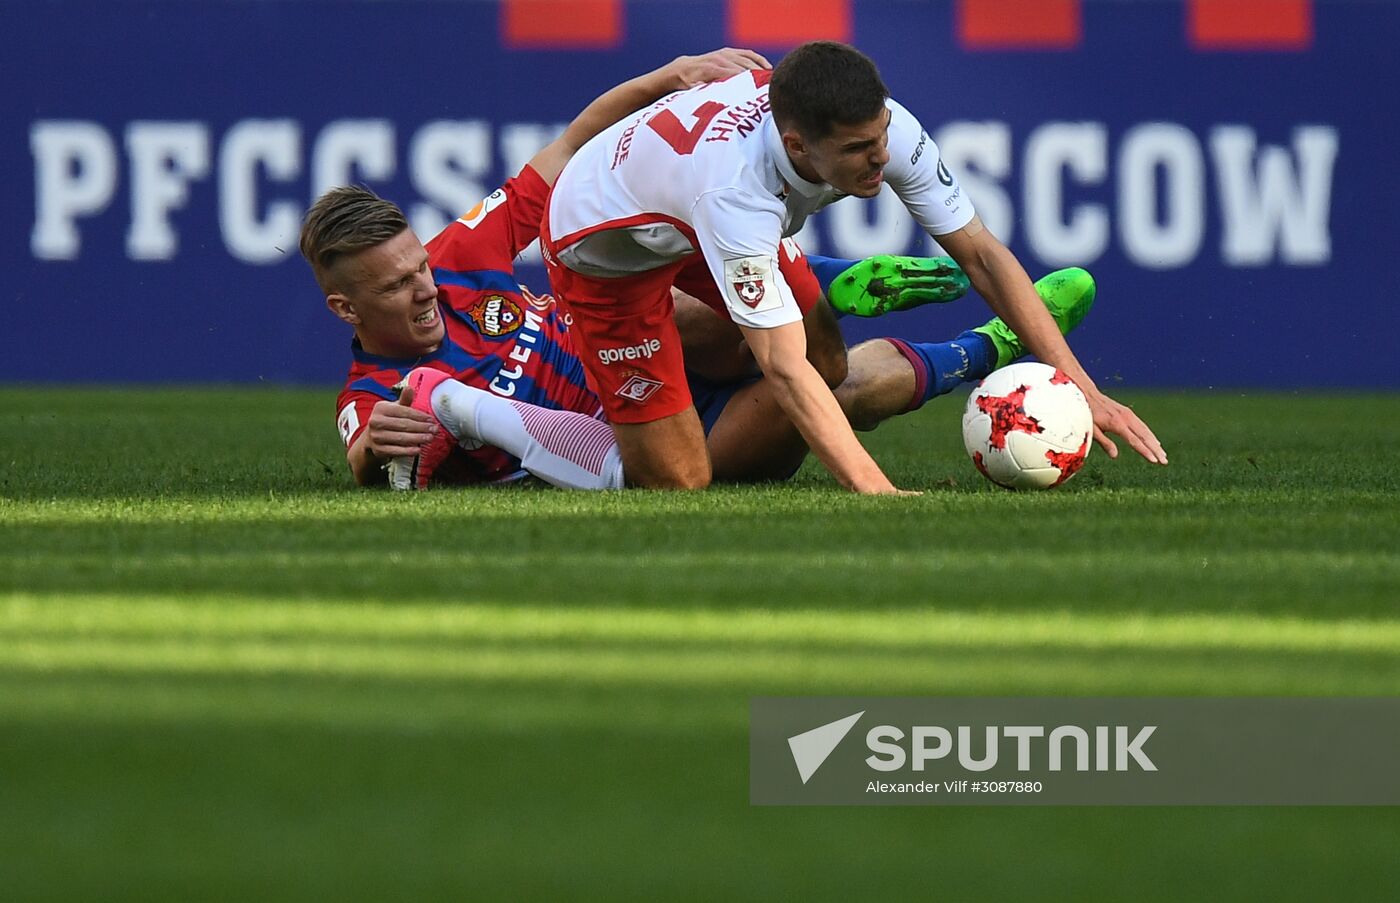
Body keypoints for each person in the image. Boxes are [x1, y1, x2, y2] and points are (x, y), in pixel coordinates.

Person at [540, 40, 1167, 495]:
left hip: (696, 220)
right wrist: (875, 488)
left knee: (830, 365)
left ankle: (727, 375)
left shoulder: (875, 129)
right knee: (681, 480)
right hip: (605, 259)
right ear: (797, 147)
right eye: (858, 150)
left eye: (883, 135)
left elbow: (981, 253)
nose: (881, 159)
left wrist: (1084, 389)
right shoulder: (736, 193)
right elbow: (781, 368)